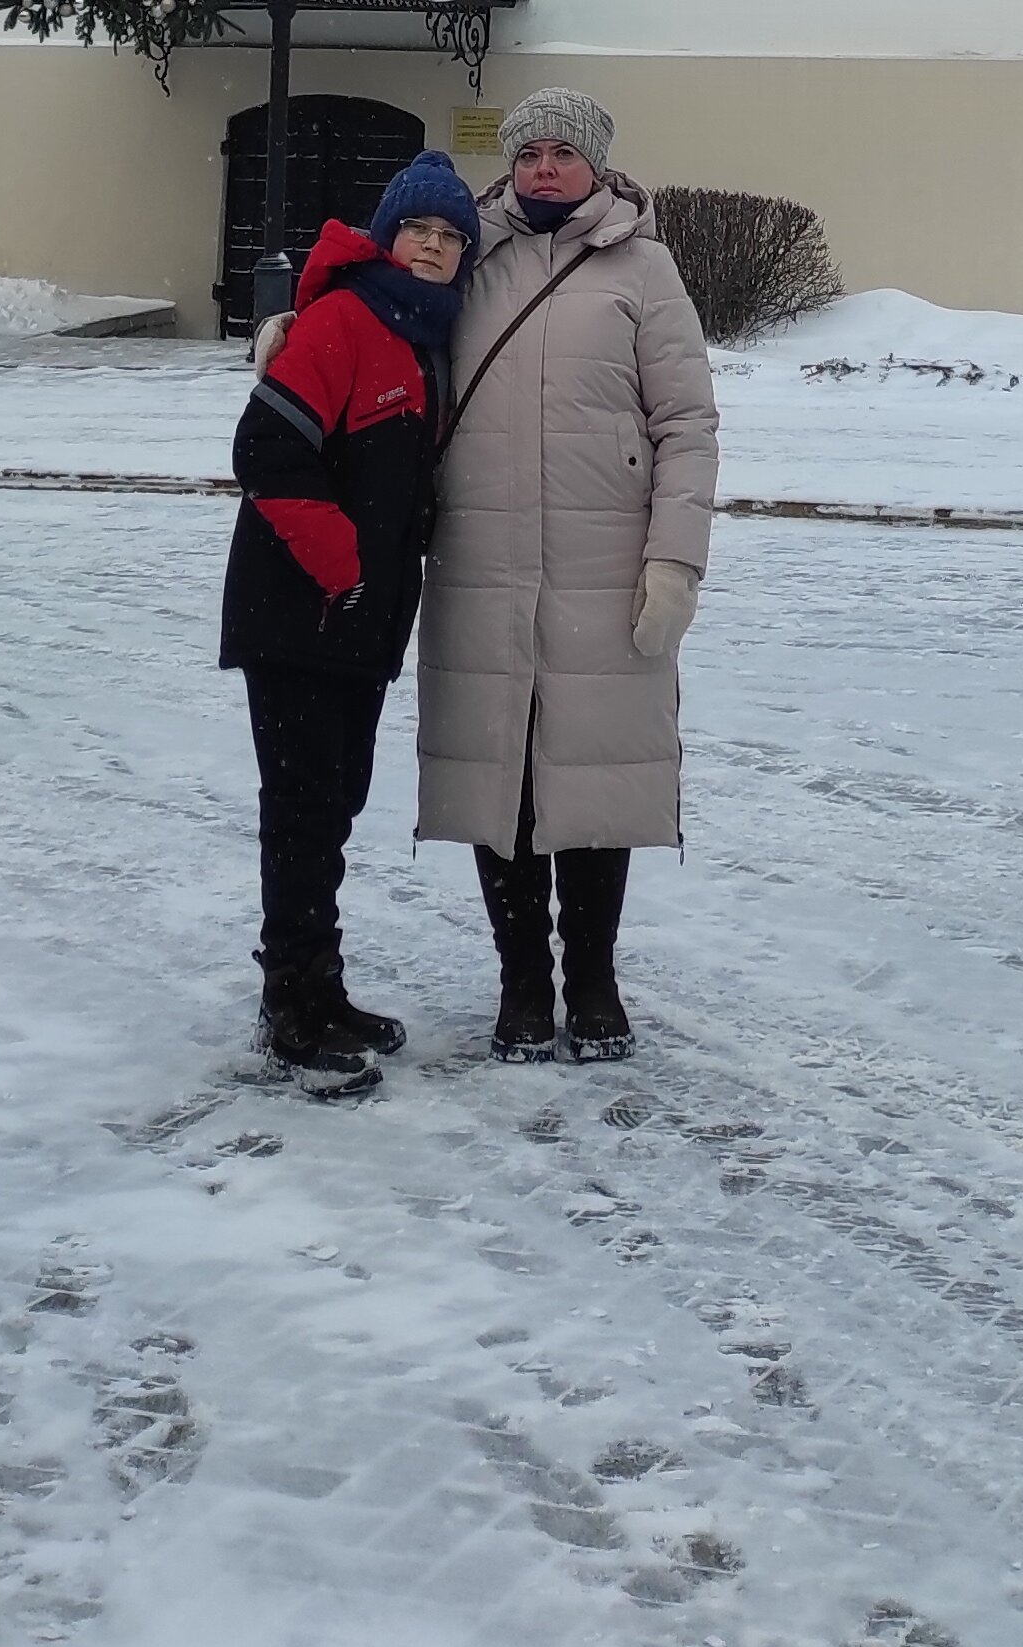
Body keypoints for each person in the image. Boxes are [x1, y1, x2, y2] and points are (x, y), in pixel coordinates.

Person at [417, 86, 718, 1064]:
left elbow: (686, 423)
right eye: (528, 152)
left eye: (563, 152)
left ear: (596, 164)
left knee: (593, 776)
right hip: (481, 559)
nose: (544, 168)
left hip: (604, 564)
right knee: (498, 770)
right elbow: (380, 314)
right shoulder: (475, 255)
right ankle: (520, 982)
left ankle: (591, 978)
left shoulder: (644, 266)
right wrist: (296, 333)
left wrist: (674, 557)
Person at [219, 152, 482, 1097]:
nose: (433, 247)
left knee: (333, 804)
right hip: (299, 610)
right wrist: (344, 568)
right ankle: (289, 1004)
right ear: (386, 236)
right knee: (301, 809)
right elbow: (265, 448)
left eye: (451, 237)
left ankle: (321, 986)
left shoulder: (423, 336)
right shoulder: (344, 320)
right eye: (418, 229)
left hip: (361, 621)